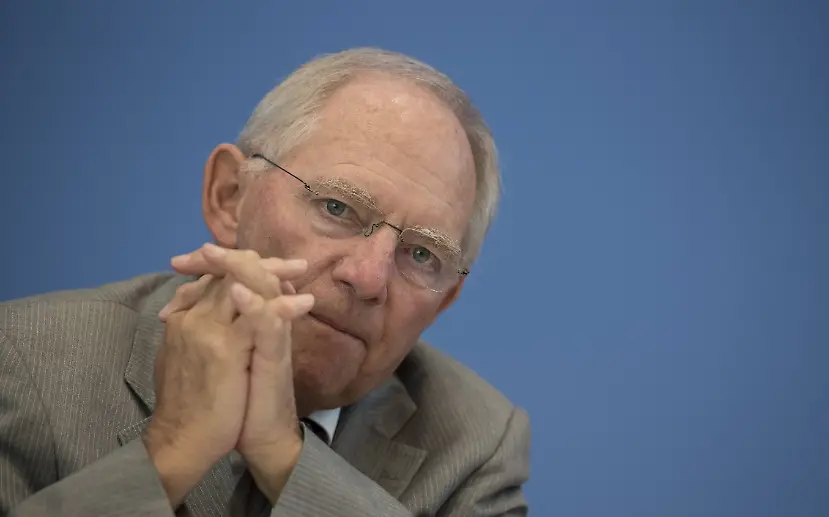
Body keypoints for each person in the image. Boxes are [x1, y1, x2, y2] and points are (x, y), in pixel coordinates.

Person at [0, 47, 530, 517]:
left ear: (445, 301)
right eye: (337, 207)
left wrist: (285, 456)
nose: (368, 278)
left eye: (421, 254)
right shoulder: (24, 360)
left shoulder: (474, 446)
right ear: (230, 196)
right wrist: (170, 453)